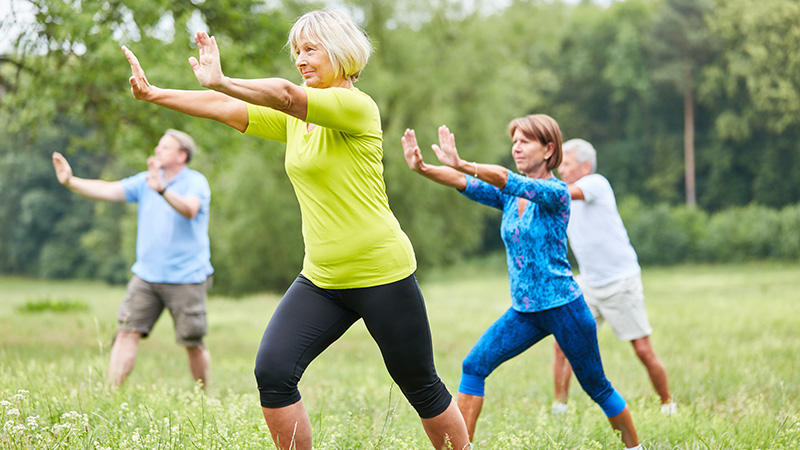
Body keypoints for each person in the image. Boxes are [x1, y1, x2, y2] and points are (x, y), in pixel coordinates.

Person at [121, 9, 470, 450]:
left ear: (341, 52)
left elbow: (285, 95)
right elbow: (228, 109)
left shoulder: (356, 107)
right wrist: (154, 94)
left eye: (311, 50)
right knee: (273, 371)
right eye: (297, 52)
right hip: (322, 277)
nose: (301, 60)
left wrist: (222, 79)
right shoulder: (296, 120)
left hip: (380, 272)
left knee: (419, 383)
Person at [401, 117, 641, 449]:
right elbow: (464, 182)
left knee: (596, 386)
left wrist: (463, 162)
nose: (516, 147)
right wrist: (423, 168)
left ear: (549, 149)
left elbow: (503, 178)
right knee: (474, 366)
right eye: (514, 141)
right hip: (525, 311)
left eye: (525, 141)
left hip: (564, 307)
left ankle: (635, 447)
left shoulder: (556, 193)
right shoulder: (510, 198)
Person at [51, 129, 213, 389]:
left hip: (187, 277)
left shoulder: (196, 182)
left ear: (182, 156)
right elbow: (107, 189)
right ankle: (112, 393)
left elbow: (189, 209)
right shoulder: (145, 181)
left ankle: (203, 397)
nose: (157, 150)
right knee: (126, 332)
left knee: (193, 343)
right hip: (146, 276)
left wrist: (163, 190)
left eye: (165, 147)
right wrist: (71, 181)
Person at [552, 138, 675, 415]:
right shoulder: (562, 195)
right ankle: (560, 408)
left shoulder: (596, 184)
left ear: (585, 166)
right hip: (588, 284)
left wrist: (529, 185)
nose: (561, 169)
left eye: (566, 164)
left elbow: (561, 193)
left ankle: (668, 404)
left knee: (642, 350)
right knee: (562, 343)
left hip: (620, 282)